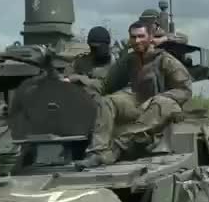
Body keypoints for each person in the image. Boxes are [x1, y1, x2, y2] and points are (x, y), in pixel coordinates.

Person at [76, 19, 192, 168]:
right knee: (107, 101)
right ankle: (97, 152)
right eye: (133, 37)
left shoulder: (165, 60)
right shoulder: (129, 60)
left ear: (150, 38)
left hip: (164, 107)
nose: (137, 41)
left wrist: (160, 97)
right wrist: (77, 80)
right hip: (138, 102)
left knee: (161, 104)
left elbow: (185, 89)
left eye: (141, 36)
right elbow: (106, 85)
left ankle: (116, 149)